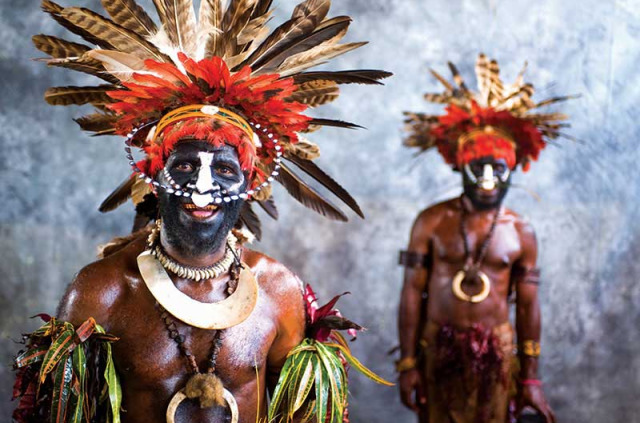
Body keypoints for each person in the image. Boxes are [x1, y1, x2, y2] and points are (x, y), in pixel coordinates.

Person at [12, 1, 392, 422]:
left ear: (249, 186)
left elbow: (299, 413)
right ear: (155, 175)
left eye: (225, 169)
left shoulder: (278, 289)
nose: (204, 186)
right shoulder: (101, 291)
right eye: (186, 166)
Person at [397, 54, 574, 423]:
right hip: (438, 350)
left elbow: (527, 307)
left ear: (512, 170)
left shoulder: (520, 231)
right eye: (479, 167)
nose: (489, 178)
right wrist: (408, 363)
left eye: (499, 168)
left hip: (496, 352)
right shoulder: (431, 222)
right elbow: (412, 292)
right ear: (461, 167)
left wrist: (530, 376)